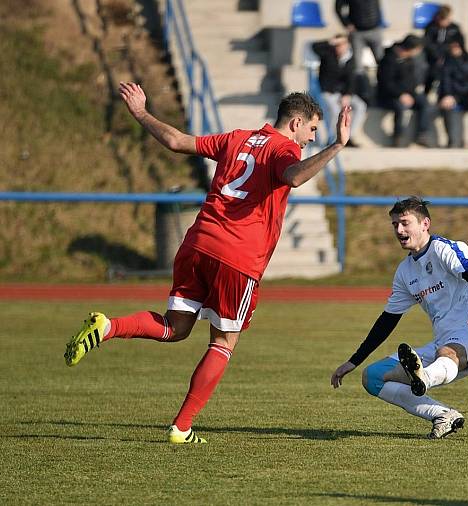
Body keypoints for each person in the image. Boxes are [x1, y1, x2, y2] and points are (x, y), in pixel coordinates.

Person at [64, 84, 351, 444]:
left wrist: (140, 113)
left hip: (197, 243)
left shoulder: (236, 138)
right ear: (296, 122)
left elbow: (177, 142)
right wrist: (337, 146)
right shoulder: (285, 149)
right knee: (223, 342)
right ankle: (181, 428)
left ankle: (108, 327)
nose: (311, 138)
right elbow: (293, 175)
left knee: (175, 327)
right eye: (311, 129)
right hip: (238, 257)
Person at [331, 197, 468, 439]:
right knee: (373, 377)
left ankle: (424, 377)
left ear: (425, 224)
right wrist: (354, 361)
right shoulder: (405, 272)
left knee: (445, 353)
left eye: (405, 223)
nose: (399, 230)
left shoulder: (444, 249)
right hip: (442, 340)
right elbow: (388, 319)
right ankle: (442, 414)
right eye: (395, 224)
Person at [377, 35, 435, 147]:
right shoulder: (388, 60)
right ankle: (398, 137)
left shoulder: (409, 60)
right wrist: (400, 95)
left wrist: (411, 93)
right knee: (400, 107)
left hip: (408, 93)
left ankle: (422, 135)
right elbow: (386, 83)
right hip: (389, 96)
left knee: (425, 103)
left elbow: (411, 80)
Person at [312, 34, 367, 147]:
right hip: (327, 91)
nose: (339, 47)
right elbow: (314, 47)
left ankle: (347, 137)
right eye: (337, 45)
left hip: (343, 93)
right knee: (334, 109)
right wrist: (330, 41)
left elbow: (351, 79)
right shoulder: (327, 53)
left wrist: (347, 95)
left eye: (342, 44)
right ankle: (332, 138)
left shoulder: (351, 58)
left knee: (360, 106)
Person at [438, 39, 468, 149]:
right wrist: (447, 95)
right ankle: (452, 141)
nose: (454, 49)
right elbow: (445, 81)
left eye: (456, 46)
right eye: (452, 47)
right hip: (453, 96)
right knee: (446, 108)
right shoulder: (446, 61)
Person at [422, 4, 465, 94]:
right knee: (432, 73)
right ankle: (427, 93)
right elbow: (428, 44)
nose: (445, 22)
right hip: (434, 57)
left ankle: (450, 94)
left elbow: (460, 43)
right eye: (443, 19)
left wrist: (457, 51)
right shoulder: (431, 27)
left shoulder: (454, 28)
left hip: (449, 55)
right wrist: (437, 56)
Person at [335, 0, 384, 75]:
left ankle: (383, 85)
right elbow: (338, 8)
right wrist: (346, 24)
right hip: (357, 33)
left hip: (375, 30)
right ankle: (360, 85)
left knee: (382, 62)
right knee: (357, 66)